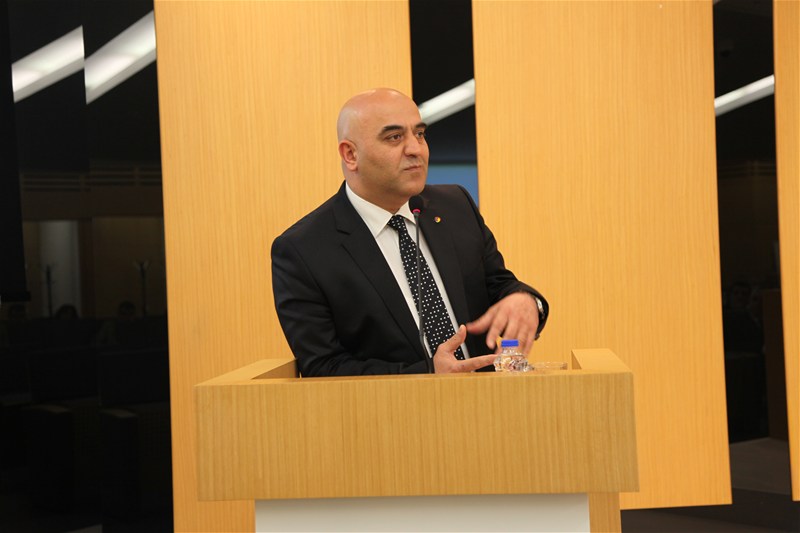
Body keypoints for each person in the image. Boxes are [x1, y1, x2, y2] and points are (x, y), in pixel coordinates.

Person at [271, 88, 548, 376]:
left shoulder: (456, 206)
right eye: (394, 137)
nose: (416, 149)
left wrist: (527, 300)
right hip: (393, 405)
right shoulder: (303, 250)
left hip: (487, 398)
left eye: (420, 134)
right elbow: (323, 367)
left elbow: (500, 287)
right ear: (350, 154)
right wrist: (428, 373)